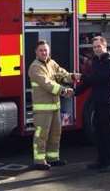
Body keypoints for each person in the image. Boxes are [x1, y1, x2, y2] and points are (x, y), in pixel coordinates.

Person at [28, 40, 75, 170]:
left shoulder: (51, 63)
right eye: (41, 50)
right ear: (36, 52)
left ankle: (53, 158)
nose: (44, 52)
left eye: (46, 50)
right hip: (43, 108)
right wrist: (64, 90)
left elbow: (62, 74)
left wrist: (73, 77)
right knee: (41, 135)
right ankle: (39, 161)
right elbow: (47, 84)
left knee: (55, 133)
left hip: (55, 107)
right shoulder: (35, 67)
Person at [74, 36, 110, 173]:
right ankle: (101, 161)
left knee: (108, 133)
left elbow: (99, 79)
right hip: (97, 101)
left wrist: (81, 77)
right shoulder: (96, 61)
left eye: (99, 46)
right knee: (98, 133)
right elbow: (89, 82)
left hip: (107, 102)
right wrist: (75, 92)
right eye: (94, 47)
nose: (97, 49)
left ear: (105, 46)